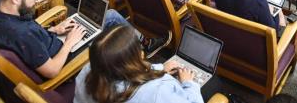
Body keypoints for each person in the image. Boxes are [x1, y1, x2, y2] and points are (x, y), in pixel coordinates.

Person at [0, 0, 171, 79]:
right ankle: (142, 50)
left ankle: (140, 44)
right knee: (111, 17)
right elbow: (52, 71)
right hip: (68, 60)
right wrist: (70, 42)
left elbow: (32, 35)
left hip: (55, 42)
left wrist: (53, 29)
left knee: (105, 16)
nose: (37, 1)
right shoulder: (22, 35)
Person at [74, 25, 203, 103]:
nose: (142, 52)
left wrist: (160, 67)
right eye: (139, 49)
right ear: (134, 59)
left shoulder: (88, 71)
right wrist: (189, 84)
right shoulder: (157, 90)